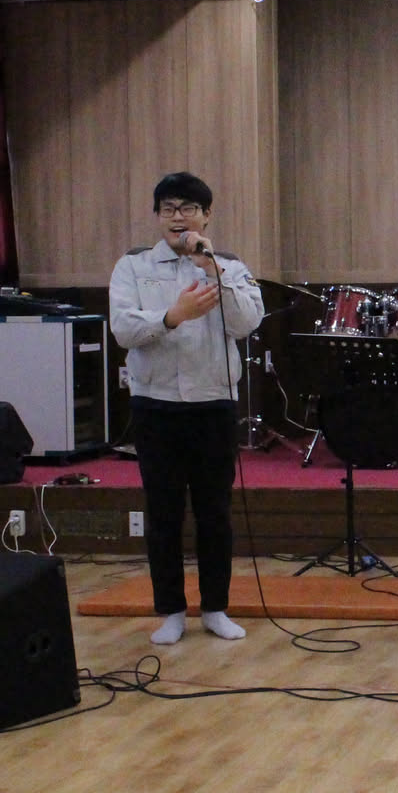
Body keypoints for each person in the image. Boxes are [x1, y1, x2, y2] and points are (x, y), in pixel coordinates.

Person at [109, 171, 266, 646]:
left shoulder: (227, 264)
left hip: (212, 403)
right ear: (158, 216)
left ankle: (215, 607)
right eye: (169, 209)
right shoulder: (133, 266)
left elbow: (247, 322)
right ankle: (171, 611)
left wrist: (212, 270)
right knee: (163, 512)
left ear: (206, 215)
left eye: (189, 209)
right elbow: (123, 329)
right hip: (155, 405)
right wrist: (172, 317)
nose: (178, 218)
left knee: (214, 511)